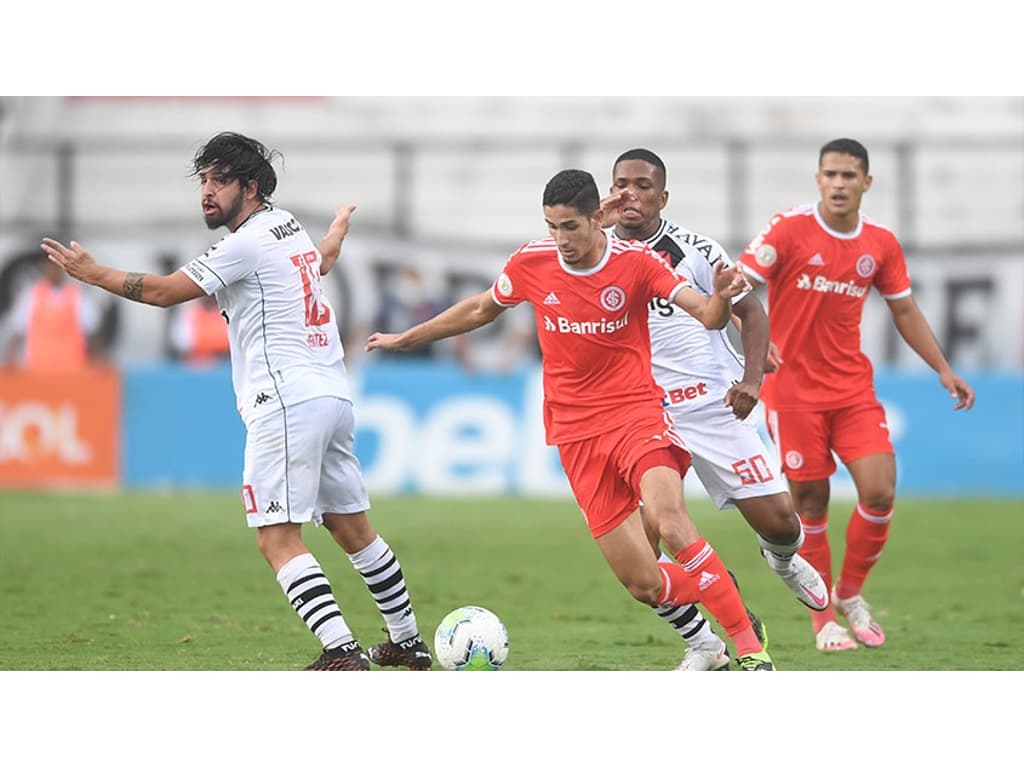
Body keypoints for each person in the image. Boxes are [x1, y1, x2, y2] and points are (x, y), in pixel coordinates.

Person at [41, 131, 432, 672]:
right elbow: (318, 262)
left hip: (287, 400)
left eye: (219, 180)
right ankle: (406, 640)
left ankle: (342, 650)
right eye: (204, 179)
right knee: (351, 528)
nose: (207, 191)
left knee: (276, 536)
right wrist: (336, 236)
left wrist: (90, 273)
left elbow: (161, 292)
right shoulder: (287, 225)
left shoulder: (243, 243)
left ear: (250, 187)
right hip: (331, 395)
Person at [366, 168, 775, 670]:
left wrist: (720, 294)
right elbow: (479, 309)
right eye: (552, 226)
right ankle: (714, 595)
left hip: (637, 416)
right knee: (644, 583)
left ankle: (751, 650)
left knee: (668, 519)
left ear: (597, 218)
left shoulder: (639, 263)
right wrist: (406, 339)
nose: (560, 239)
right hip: (575, 434)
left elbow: (709, 318)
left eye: (570, 227)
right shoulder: (533, 261)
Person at [737, 137, 975, 651]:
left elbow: (904, 310)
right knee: (812, 501)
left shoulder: (880, 244)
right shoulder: (789, 229)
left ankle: (849, 593)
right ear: (818, 179)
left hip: (851, 389)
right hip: (794, 391)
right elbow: (735, 288)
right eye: (830, 174)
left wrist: (943, 369)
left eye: (849, 176)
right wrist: (759, 346)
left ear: (867, 183)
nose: (839, 184)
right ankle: (822, 620)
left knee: (880, 489)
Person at [606, 148, 829, 670]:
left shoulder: (696, 249)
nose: (630, 194)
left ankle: (782, 558)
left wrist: (751, 379)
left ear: (663, 197)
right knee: (643, 547)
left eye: (642, 185)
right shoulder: (593, 254)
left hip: (711, 406)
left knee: (780, 522)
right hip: (643, 416)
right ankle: (707, 640)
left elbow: (750, 312)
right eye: (621, 184)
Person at [5, 252, 104, 371]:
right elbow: (18, 330)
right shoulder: (30, 295)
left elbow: (92, 331)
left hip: (71, 369)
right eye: (50, 265)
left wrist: (98, 360)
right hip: (37, 369)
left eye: (57, 266)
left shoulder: (79, 295)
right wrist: (11, 357)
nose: (53, 270)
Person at [168, 293, 231, 367]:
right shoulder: (190, 312)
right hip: (195, 364)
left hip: (225, 363)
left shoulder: (228, 311)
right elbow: (181, 342)